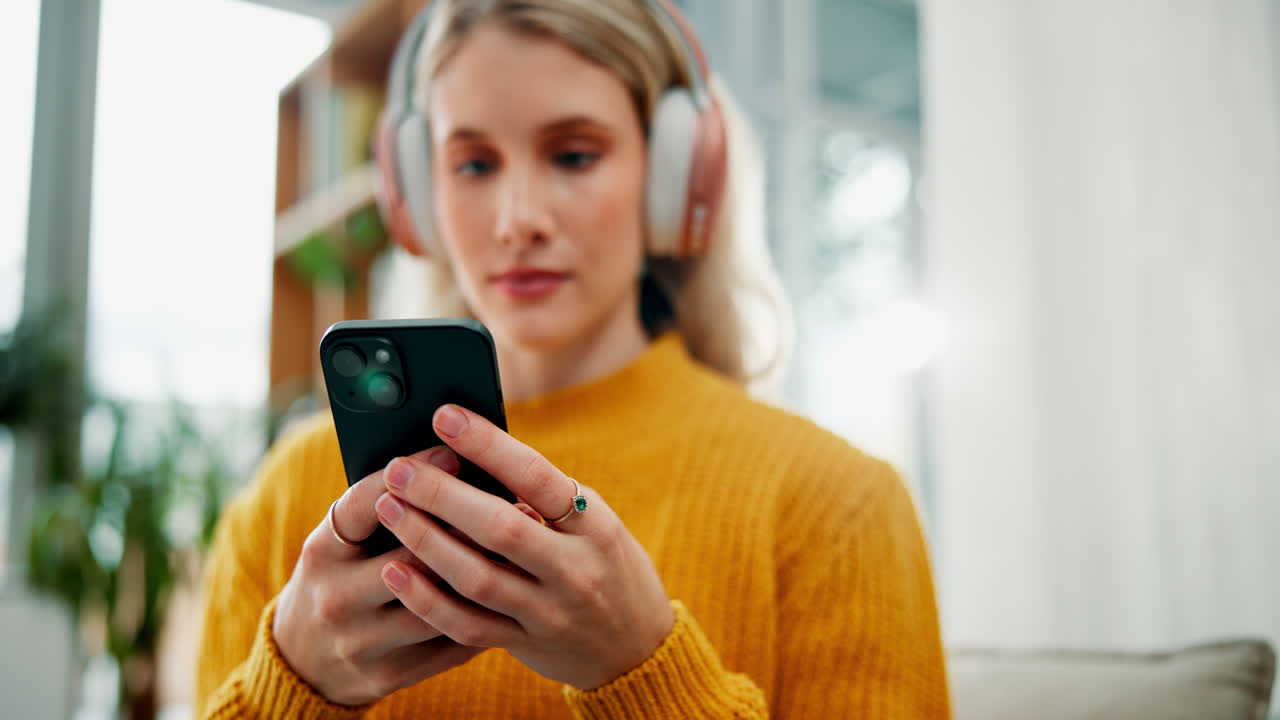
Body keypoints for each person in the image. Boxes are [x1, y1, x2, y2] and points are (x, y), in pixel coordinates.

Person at [193, 0, 951, 717]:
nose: (519, 219)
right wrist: (292, 686)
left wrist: (642, 672)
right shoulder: (289, 501)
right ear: (417, 195)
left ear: (675, 178)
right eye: (474, 165)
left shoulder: (838, 507)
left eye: (575, 155)